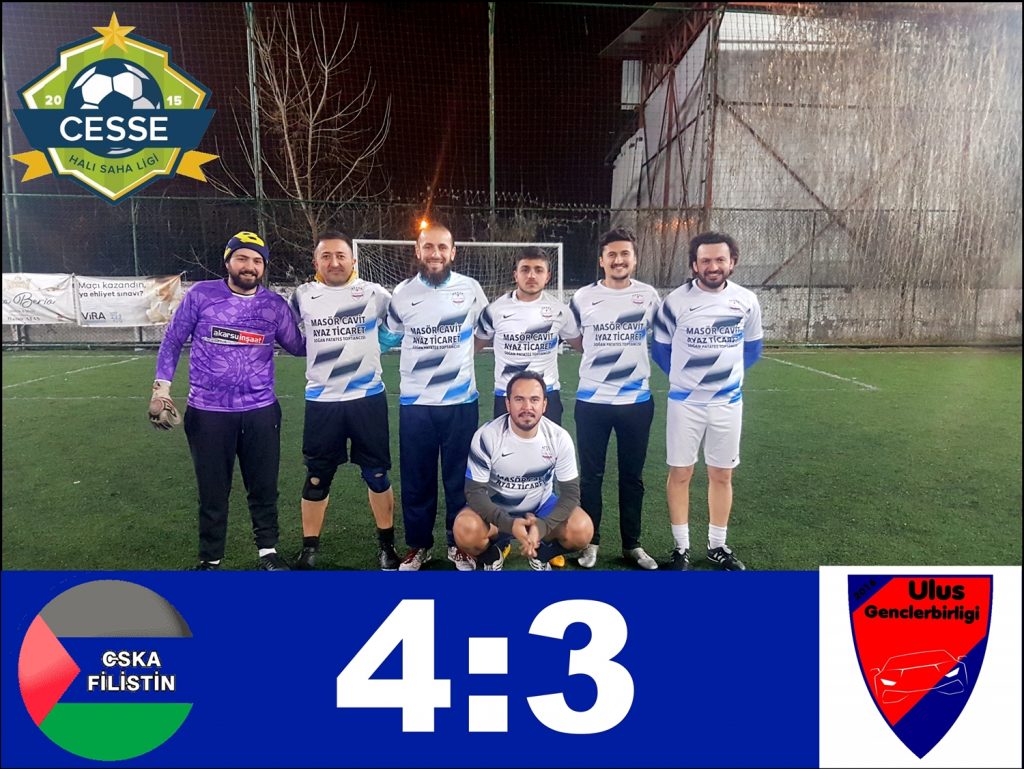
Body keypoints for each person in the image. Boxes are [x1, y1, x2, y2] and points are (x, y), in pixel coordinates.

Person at [148, 231, 305, 570]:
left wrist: (334, 326)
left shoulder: (274, 305)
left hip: (261, 411)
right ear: (228, 261)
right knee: (212, 491)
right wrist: (161, 390)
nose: (250, 266)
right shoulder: (201, 295)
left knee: (264, 487)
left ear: (264, 267)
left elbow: (299, 346)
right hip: (208, 413)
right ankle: (210, 559)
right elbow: (173, 340)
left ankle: (268, 553)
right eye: (242, 258)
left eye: (257, 261)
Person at [379, 223, 489, 571]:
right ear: (418, 251)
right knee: (417, 479)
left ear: (453, 252)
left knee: (460, 480)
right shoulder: (402, 293)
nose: (435, 254)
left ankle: (459, 545)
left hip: (461, 403)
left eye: (442, 247)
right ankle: (419, 546)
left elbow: (486, 331)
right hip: (416, 404)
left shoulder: (471, 289)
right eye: (429, 247)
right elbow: (386, 338)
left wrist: (463, 356)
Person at [289, 231, 400, 571]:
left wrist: (377, 346)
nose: (334, 262)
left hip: (367, 399)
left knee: (377, 475)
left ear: (354, 260)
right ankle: (309, 549)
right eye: (326, 256)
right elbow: (288, 334)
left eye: (340, 255)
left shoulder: (374, 293)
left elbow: (397, 324)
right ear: (316, 262)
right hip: (322, 402)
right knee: (317, 478)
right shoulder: (302, 296)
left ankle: (387, 547)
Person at [652, 232, 763, 570]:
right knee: (681, 472)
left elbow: (752, 348)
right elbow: (661, 350)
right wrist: (689, 382)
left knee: (722, 474)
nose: (713, 266)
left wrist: (723, 381)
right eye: (705, 261)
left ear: (732, 262)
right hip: (685, 403)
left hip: (728, 404)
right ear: (694, 265)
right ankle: (681, 547)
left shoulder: (746, 301)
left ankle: (717, 545)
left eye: (719, 260)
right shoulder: (675, 302)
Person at [567, 227, 661, 570]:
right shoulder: (582, 297)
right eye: (612, 255)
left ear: (634, 259)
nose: (618, 260)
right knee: (591, 476)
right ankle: (591, 542)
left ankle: (632, 544)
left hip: (636, 403)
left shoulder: (649, 296)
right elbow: (575, 340)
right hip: (592, 402)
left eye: (624, 254)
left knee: (632, 477)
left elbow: (662, 337)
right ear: (601, 260)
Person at [453, 371, 593, 570]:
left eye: (534, 399)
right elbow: (474, 492)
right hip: (496, 512)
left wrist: (543, 526)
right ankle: (492, 557)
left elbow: (571, 494)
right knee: (465, 528)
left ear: (544, 405)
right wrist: (509, 524)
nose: (527, 407)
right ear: (508, 403)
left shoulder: (559, 438)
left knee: (582, 529)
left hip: (540, 510)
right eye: (519, 399)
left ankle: (541, 555)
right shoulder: (487, 436)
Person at [474, 246, 581, 426]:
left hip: (546, 395)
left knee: (548, 444)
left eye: (538, 270)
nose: (531, 275)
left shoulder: (561, 311)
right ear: (516, 275)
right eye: (525, 270)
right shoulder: (494, 310)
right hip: (507, 395)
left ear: (547, 276)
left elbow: (582, 345)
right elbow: (474, 347)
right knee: (507, 444)